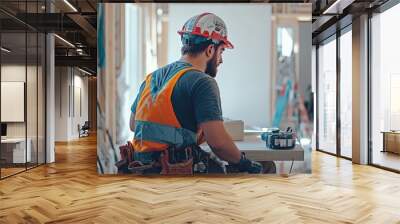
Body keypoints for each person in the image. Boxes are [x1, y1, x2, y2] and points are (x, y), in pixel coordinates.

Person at [117, 13, 273, 175]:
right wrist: (245, 163)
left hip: (141, 169)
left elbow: (134, 125)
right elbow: (219, 145)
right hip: (175, 173)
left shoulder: (153, 77)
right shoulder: (203, 82)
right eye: (221, 52)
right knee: (266, 166)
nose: (221, 60)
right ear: (210, 50)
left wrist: (182, 132)